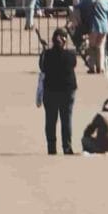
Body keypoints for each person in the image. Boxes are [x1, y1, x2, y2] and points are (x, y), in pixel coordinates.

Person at [37, 25, 79, 156]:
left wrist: (45, 52)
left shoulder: (47, 55)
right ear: (65, 41)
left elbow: (42, 67)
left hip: (51, 91)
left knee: (50, 120)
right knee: (66, 119)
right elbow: (73, 64)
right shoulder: (70, 55)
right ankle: (67, 146)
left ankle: (51, 147)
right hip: (67, 90)